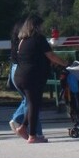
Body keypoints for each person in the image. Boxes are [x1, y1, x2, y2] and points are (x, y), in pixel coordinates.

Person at [13, 15, 68, 144]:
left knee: (34, 103)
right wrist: (65, 63)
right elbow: (51, 56)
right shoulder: (39, 39)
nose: (42, 28)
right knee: (33, 104)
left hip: (20, 76)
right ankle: (32, 135)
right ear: (36, 26)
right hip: (32, 76)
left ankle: (23, 127)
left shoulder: (22, 41)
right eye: (41, 25)